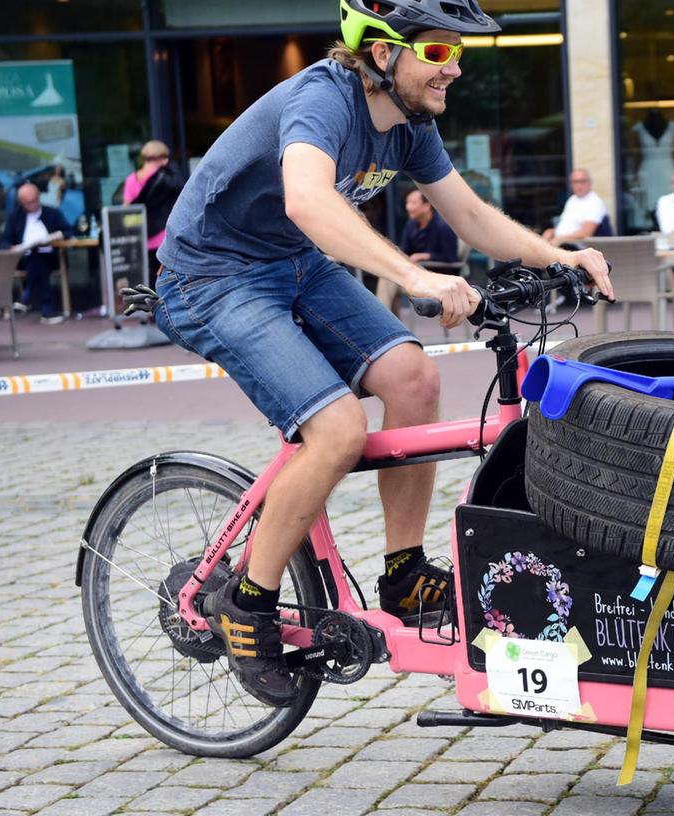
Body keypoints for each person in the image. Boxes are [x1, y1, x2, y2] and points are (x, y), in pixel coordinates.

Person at [153, 0, 612, 707]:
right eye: (435, 53)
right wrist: (414, 275)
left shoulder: (410, 124)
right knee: (336, 430)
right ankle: (247, 603)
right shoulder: (321, 101)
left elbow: (469, 215)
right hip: (212, 275)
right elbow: (307, 199)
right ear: (378, 53)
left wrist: (563, 257)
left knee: (414, 381)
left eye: (457, 53)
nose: (452, 68)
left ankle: (402, 574)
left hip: (292, 263)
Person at [375, 188, 459, 313]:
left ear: (427, 205)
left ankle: (381, 318)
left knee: (390, 279)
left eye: (413, 203)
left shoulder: (443, 226)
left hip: (436, 278)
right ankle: (386, 321)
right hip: (415, 276)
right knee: (389, 276)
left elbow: (451, 259)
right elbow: (405, 252)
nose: (408, 207)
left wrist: (426, 256)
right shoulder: (411, 225)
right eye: (407, 203)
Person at [1, 182, 69, 324]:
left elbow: (68, 230)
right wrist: (11, 247)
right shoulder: (15, 217)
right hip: (24, 259)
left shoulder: (52, 213)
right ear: (21, 203)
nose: (32, 205)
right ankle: (46, 309)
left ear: (39, 197)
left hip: (49, 256)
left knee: (38, 257)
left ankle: (26, 296)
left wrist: (57, 236)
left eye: (34, 201)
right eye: (27, 203)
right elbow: (5, 241)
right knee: (35, 258)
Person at [123, 141, 185, 274]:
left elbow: (126, 209)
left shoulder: (132, 179)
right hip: (163, 239)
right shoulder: (167, 178)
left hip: (138, 238)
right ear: (164, 158)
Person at [543, 168, 609, 246]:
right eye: (575, 182)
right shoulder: (572, 200)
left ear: (589, 183)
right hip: (563, 243)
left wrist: (560, 239)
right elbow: (566, 226)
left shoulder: (594, 202)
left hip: (576, 249)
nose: (579, 185)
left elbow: (586, 233)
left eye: (582, 181)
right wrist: (552, 232)